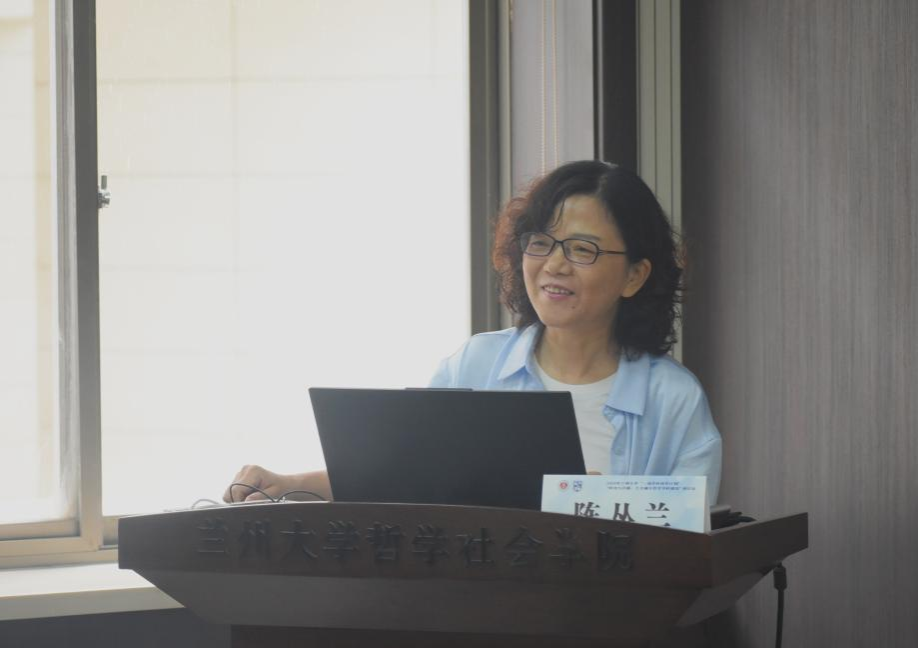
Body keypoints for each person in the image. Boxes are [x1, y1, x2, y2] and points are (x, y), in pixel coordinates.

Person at [225, 160, 721, 506]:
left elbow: (688, 530)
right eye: (541, 242)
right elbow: (403, 477)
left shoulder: (672, 398)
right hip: (469, 609)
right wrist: (287, 484)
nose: (554, 265)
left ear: (634, 275)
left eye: (582, 249)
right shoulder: (475, 364)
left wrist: (598, 502)